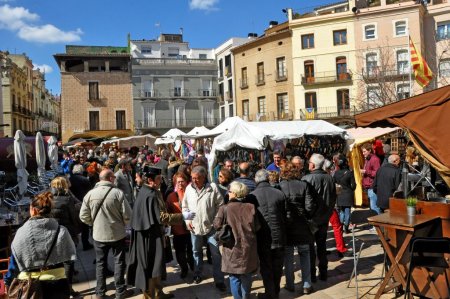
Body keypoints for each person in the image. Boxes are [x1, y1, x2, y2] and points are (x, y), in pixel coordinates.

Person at [127, 167, 190, 299]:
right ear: (150, 180)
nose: (161, 181)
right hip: (149, 237)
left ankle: (157, 293)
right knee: (150, 266)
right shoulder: (150, 195)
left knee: (156, 265)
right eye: (158, 179)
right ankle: (151, 295)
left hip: (152, 234)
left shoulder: (148, 191)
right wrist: (182, 216)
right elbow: (161, 217)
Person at [5, 191, 76, 299]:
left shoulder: (20, 232)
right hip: (57, 284)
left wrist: (7, 281)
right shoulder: (61, 230)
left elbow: (14, 263)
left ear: (33, 210)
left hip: (28, 286)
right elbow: (70, 258)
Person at [79, 169, 132, 299]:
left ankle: (100, 293)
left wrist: (93, 223)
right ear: (110, 178)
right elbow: (128, 215)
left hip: (98, 235)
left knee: (100, 263)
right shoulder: (117, 193)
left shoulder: (90, 194)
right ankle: (120, 291)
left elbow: (83, 216)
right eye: (113, 177)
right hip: (117, 233)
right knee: (119, 261)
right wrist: (122, 224)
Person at [181, 166, 226, 291]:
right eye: (193, 178)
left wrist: (217, 221)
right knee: (196, 251)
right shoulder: (189, 189)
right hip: (194, 227)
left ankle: (219, 280)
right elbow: (185, 207)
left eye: (197, 178)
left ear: (204, 177)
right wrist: (188, 220)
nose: (194, 181)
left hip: (211, 227)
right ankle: (197, 274)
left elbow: (220, 205)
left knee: (216, 254)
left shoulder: (212, 188)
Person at [214, 181, 260, 299]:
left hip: (231, 248)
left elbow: (216, 225)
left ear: (234, 193)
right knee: (246, 275)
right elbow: (257, 227)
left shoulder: (224, 208)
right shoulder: (251, 207)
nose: (228, 193)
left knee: (234, 277)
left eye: (229, 191)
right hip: (248, 246)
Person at [279, 162, 315, 295]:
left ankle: (290, 284)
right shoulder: (303, 185)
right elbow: (309, 207)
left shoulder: (280, 186)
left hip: (287, 226)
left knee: (288, 257)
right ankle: (307, 284)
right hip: (302, 225)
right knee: (305, 254)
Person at [250, 169, 286, 299]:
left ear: (256, 179)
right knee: (277, 266)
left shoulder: (252, 196)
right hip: (279, 236)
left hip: (263, 238)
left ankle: (271, 294)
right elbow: (284, 215)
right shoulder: (279, 193)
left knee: (266, 267)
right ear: (268, 178)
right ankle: (274, 292)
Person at [302, 153, 336, 282]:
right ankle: (323, 273)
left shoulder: (307, 178)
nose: (308, 164)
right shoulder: (329, 178)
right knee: (321, 246)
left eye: (310, 162)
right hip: (323, 217)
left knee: (311, 248)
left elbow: (306, 201)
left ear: (313, 164)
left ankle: (312, 274)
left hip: (312, 219)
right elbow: (333, 199)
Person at [50, 176, 81, 297]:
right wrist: (77, 230)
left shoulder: (49, 198)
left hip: (53, 232)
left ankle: (61, 289)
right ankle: (68, 290)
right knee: (69, 261)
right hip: (68, 232)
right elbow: (74, 217)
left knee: (58, 261)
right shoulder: (67, 199)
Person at [165, 172, 195, 279]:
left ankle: (193, 266)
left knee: (191, 250)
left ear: (187, 182)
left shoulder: (191, 194)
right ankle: (184, 268)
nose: (180, 184)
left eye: (182, 181)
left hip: (191, 228)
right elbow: (167, 212)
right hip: (178, 230)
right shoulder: (171, 197)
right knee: (180, 251)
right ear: (174, 183)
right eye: (178, 182)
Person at [69, 164, 94, 250]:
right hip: (84, 204)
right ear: (81, 171)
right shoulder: (84, 179)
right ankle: (85, 243)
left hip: (73, 205)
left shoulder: (69, 179)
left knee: (74, 224)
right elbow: (90, 192)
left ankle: (74, 244)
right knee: (85, 225)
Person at [334, 156, 356, 234]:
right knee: (347, 211)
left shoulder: (336, 173)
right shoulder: (349, 173)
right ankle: (346, 227)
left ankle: (341, 227)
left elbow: (335, 183)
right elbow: (353, 185)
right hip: (348, 193)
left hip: (339, 194)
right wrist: (350, 189)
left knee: (342, 211)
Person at [361, 143, 381, 215]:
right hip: (368, 186)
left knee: (374, 207)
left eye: (364, 151)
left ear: (369, 150)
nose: (363, 153)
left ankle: (378, 224)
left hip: (372, 186)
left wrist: (366, 171)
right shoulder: (368, 159)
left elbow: (377, 173)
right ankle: (374, 223)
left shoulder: (375, 159)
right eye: (362, 152)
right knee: (371, 207)